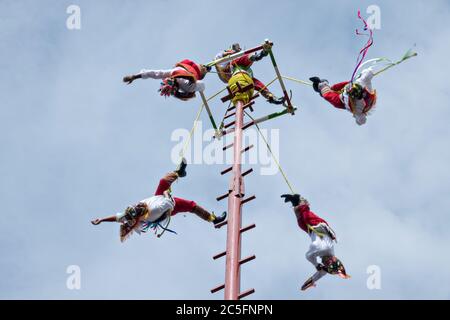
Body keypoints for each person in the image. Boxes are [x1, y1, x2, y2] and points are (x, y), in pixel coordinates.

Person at [92, 159, 227, 241]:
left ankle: (179, 173)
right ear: (141, 213)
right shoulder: (153, 211)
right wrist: (167, 193)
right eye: (138, 207)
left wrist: (101, 219)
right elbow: (168, 202)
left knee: (163, 181)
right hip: (170, 206)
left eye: (136, 205)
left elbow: (117, 217)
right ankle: (213, 219)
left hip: (158, 198)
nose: (138, 205)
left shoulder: (133, 211)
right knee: (192, 206)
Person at [281, 194, 350, 291]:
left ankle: (294, 201)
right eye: (326, 263)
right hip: (317, 224)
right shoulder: (322, 248)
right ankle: (301, 200)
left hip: (312, 231)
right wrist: (316, 265)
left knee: (301, 223)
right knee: (305, 216)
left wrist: (308, 283)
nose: (323, 263)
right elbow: (308, 256)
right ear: (333, 259)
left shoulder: (326, 263)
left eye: (325, 265)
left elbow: (320, 274)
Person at [214, 43, 285, 105]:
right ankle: (260, 54)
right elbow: (217, 58)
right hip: (232, 68)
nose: (239, 49)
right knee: (244, 58)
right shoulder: (228, 55)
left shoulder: (239, 54)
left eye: (239, 48)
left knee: (256, 83)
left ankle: (270, 97)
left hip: (244, 73)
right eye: (237, 48)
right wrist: (229, 53)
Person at [309, 67, 377, 125]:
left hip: (366, 98)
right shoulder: (330, 94)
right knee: (357, 84)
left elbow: (344, 84)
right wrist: (321, 87)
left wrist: (353, 81)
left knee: (365, 75)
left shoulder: (334, 88)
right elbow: (328, 95)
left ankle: (356, 88)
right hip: (354, 103)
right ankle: (354, 91)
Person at [123, 59, 210, 101]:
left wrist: (135, 76)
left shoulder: (172, 74)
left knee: (197, 85)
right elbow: (201, 85)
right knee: (198, 85)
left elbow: (153, 73)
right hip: (195, 72)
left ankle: (204, 69)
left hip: (191, 68)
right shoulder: (185, 85)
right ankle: (205, 69)